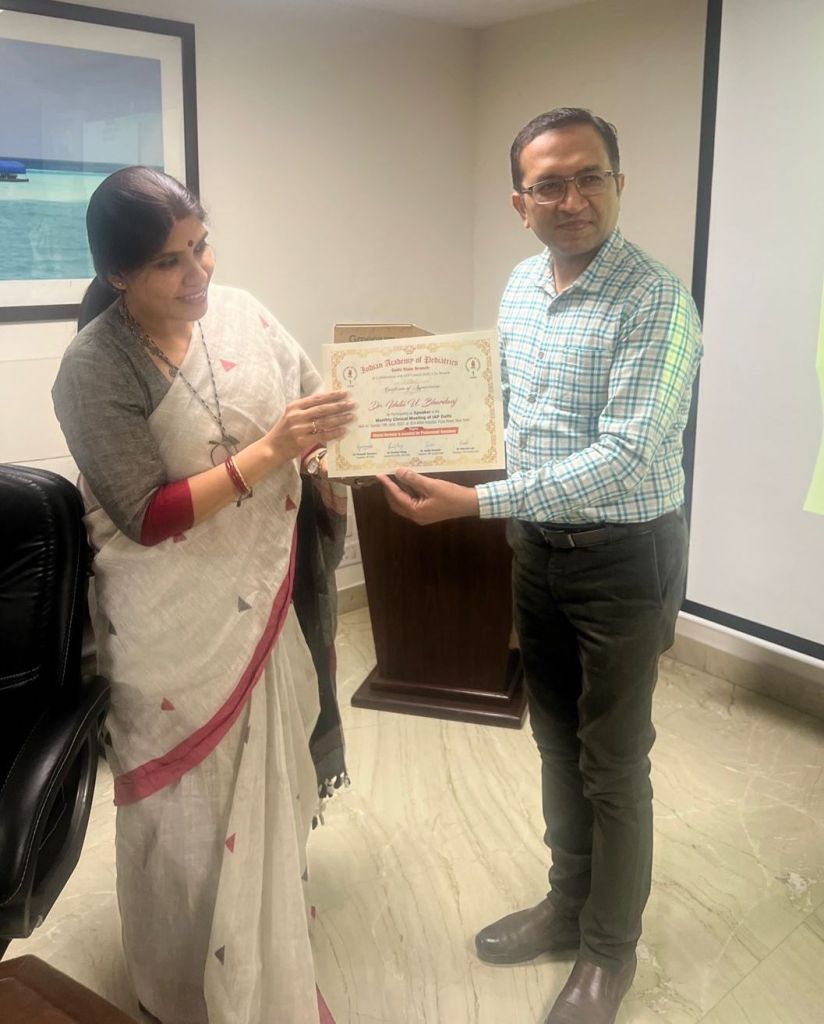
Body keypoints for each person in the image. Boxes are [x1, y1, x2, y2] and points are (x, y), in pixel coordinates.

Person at [379, 108, 702, 1024]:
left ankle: (609, 950)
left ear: (619, 185)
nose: (573, 199)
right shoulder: (522, 285)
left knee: (613, 760)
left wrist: (474, 504)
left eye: (590, 176)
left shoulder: (657, 301)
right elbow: (501, 410)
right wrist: (390, 436)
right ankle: (567, 905)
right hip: (538, 551)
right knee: (555, 741)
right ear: (520, 203)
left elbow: (628, 456)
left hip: (622, 557)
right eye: (550, 184)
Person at [52, 166, 355, 1024]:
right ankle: (183, 990)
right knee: (180, 826)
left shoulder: (244, 315)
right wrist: (274, 452)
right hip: (169, 629)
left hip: (265, 606)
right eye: (168, 262)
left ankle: (264, 949)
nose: (198, 274)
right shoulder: (93, 367)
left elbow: (310, 406)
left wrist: (326, 453)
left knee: (271, 795)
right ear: (117, 274)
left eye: (202, 246)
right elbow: (146, 515)